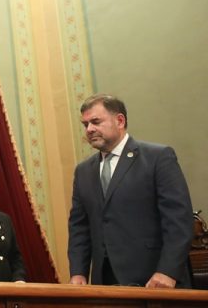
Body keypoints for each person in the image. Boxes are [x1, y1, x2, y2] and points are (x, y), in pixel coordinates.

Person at [68, 94, 193, 288]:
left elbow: (179, 221)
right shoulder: (83, 171)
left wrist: (167, 271)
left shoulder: (157, 158)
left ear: (120, 120)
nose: (89, 129)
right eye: (85, 125)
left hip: (155, 279)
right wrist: (78, 273)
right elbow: (79, 228)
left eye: (95, 122)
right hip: (105, 283)